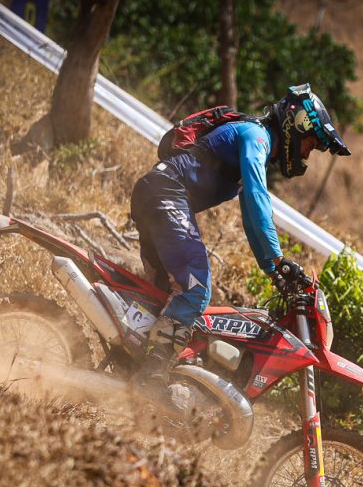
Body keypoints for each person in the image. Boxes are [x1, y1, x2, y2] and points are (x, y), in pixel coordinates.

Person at [129, 83, 351, 388]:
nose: (306, 155)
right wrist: (276, 258)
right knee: (196, 287)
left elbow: (250, 214)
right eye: (309, 145)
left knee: (164, 297)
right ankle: (150, 377)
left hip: (158, 193)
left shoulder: (253, 139)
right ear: (297, 126)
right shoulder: (255, 136)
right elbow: (256, 199)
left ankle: (125, 361)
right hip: (166, 193)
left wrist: (273, 268)